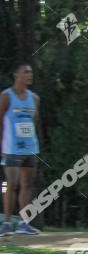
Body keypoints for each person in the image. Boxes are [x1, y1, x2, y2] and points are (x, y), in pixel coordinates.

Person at [0, 63, 41, 235]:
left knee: (27, 185)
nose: (30, 75)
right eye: (26, 72)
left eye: (31, 72)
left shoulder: (35, 98)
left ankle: (24, 223)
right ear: (16, 75)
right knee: (8, 185)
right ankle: (7, 223)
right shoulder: (6, 96)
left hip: (30, 149)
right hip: (11, 149)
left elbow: (35, 121)